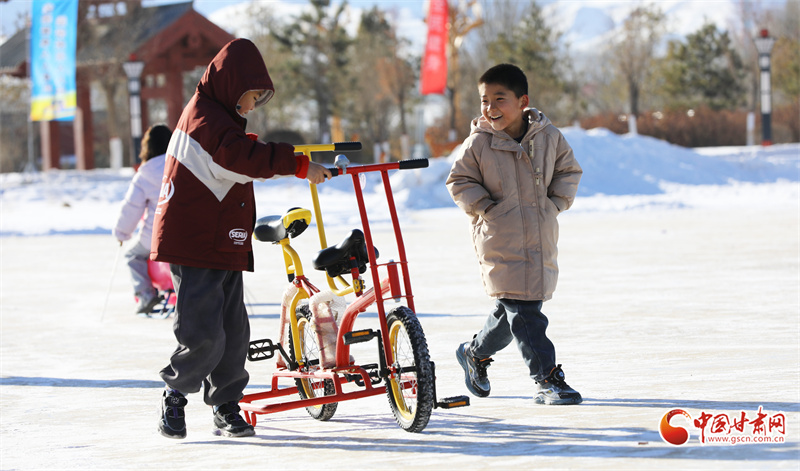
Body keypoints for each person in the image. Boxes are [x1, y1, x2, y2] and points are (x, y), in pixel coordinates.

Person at [150, 38, 331, 439]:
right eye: (252, 97)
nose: (252, 107)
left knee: (233, 333)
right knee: (203, 333)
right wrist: (299, 165)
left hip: (221, 239)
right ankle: (175, 394)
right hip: (196, 243)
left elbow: (236, 161)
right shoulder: (205, 120)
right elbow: (238, 161)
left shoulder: (217, 119)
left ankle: (225, 404)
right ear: (233, 86)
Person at [446, 63, 583, 405]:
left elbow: (568, 170)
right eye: (484, 100)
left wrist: (554, 204)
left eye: (499, 99)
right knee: (524, 313)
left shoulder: (548, 137)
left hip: (539, 236)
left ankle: (474, 353)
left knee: (513, 312)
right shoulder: (479, 143)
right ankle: (546, 378)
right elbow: (459, 180)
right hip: (500, 239)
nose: (490, 108)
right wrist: (487, 208)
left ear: (523, 101)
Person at [113, 123, 173, 315]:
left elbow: (132, 207)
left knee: (133, 255)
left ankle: (146, 294)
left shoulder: (145, 173)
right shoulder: (184, 164)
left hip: (157, 236)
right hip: (188, 232)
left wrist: (122, 233)